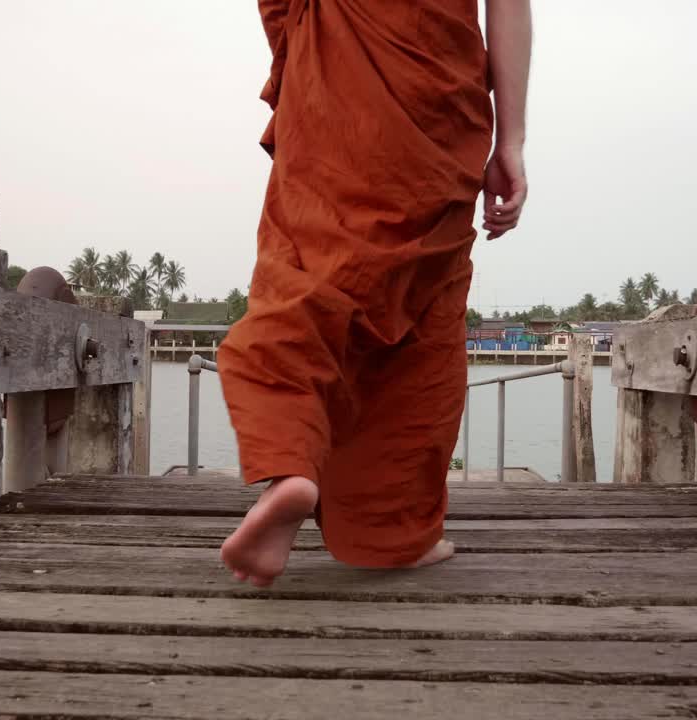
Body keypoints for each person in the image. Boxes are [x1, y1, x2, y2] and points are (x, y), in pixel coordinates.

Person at [218, 0, 532, 587]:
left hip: (339, 76)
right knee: (423, 301)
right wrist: (510, 142)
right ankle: (397, 532)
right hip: (440, 98)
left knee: (306, 269)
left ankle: (289, 469)